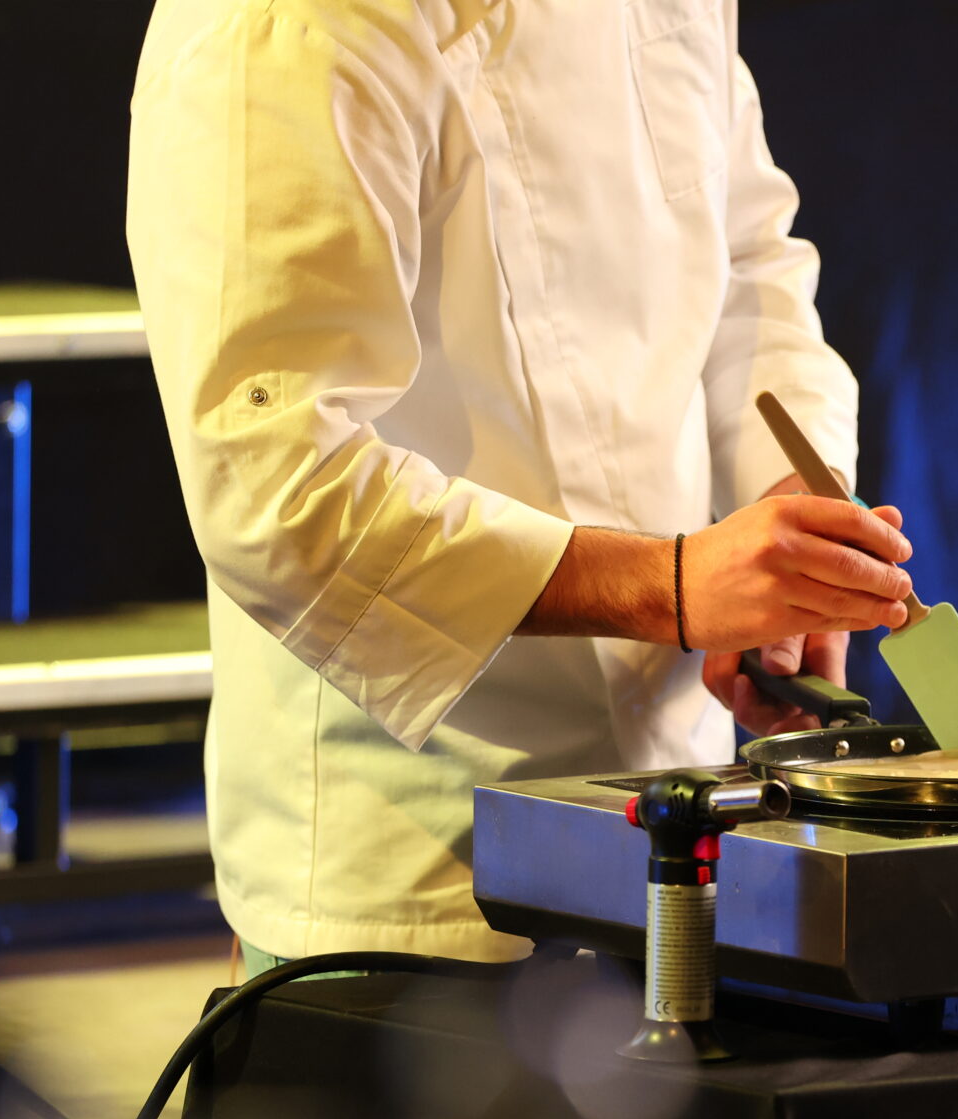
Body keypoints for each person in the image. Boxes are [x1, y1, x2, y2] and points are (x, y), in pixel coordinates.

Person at [127, 0, 912, 968]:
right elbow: (274, 490)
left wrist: (788, 505)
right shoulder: (277, 23)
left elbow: (748, 263)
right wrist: (668, 588)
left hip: (686, 819)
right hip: (414, 880)